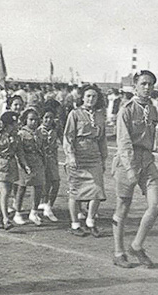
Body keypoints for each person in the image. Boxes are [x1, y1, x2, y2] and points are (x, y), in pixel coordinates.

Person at [112, 70, 158, 269]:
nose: (147, 87)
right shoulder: (126, 109)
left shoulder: (152, 109)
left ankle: (137, 245)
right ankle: (118, 251)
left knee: (156, 204)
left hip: (147, 160)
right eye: (143, 84)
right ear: (135, 86)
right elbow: (124, 143)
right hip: (128, 161)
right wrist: (130, 169)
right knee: (123, 206)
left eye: (150, 84)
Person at [63, 85, 108, 237]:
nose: (91, 99)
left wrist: (103, 158)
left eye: (94, 96)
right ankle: (75, 224)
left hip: (94, 155)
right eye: (88, 96)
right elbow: (68, 136)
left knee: (97, 190)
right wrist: (70, 156)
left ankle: (90, 222)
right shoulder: (74, 114)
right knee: (75, 191)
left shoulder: (100, 115)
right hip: (78, 155)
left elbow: (102, 139)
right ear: (82, 97)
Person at [13, 109, 46, 226]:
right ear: (25, 120)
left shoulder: (39, 133)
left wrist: (43, 162)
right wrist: (24, 164)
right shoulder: (21, 134)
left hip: (37, 163)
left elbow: (42, 149)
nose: (34, 122)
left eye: (36, 120)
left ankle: (34, 211)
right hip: (25, 163)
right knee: (21, 188)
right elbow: (20, 152)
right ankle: (17, 212)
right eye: (31, 119)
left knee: (38, 187)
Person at [36, 108, 61, 221]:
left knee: (56, 183)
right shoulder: (38, 131)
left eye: (51, 117)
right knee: (44, 184)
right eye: (46, 117)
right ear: (41, 119)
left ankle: (49, 205)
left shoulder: (54, 131)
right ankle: (43, 206)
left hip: (51, 160)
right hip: (41, 160)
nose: (48, 120)